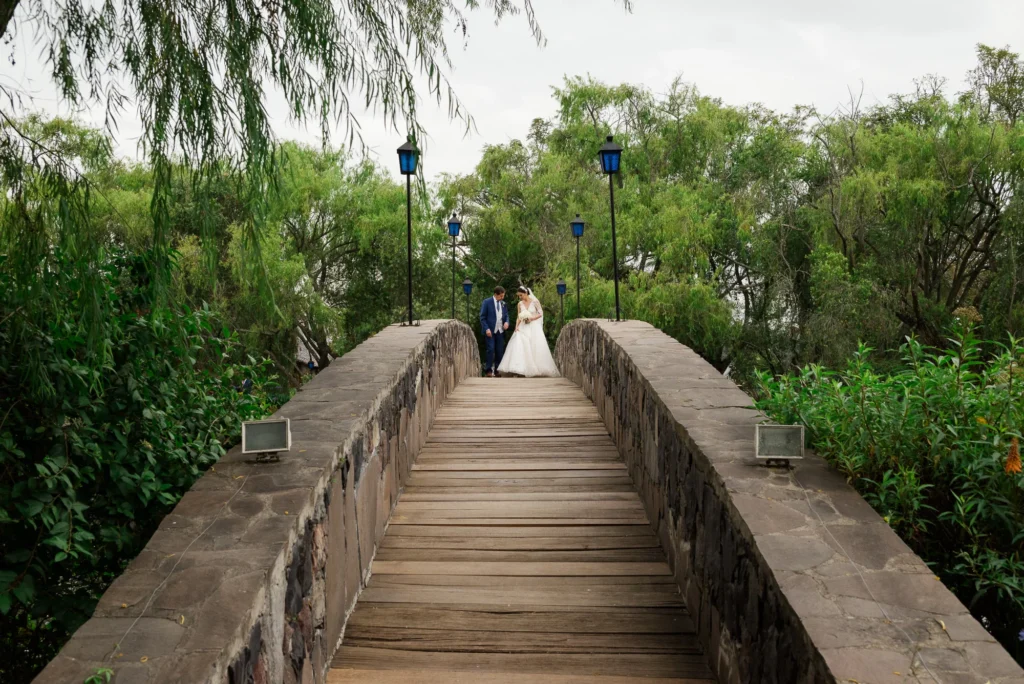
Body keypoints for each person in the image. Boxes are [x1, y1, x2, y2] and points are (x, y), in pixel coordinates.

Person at [497, 286, 560, 377]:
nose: (520, 297)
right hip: (522, 327)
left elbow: (541, 313)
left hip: (533, 327)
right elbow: (518, 317)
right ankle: (519, 369)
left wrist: (532, 318)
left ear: (526, 293)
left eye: (521, 295)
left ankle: (535, 368)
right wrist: (516, 327)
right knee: (519, 345)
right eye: (519, 296)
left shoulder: (535, 302)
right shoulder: (520, 304)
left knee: (534, 346)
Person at [479, 285, 509, 377]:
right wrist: (486, 328)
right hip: (490, 331)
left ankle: (497, 370)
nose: (502, 297)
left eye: (503, 296)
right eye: (501, 296)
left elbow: (506, 315)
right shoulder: (487, 302)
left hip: (500, 331)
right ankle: (488, 370)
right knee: (490, 349)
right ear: (496, 294)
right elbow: (482, 317)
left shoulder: (503, 303)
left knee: (499, 350)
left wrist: (507, 322)